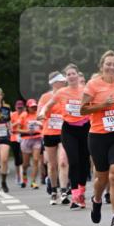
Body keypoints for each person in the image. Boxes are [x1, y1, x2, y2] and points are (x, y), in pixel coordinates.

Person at [81, 50, 114, 226]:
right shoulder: (93, 85)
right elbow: (82, 110)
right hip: (98, 135)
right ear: (101, 66)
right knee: (101, 177)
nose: (111, 67)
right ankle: (96, 200)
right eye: (108, 64)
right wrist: (103, 105)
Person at [55, 64, 90, 209]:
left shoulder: (86, 91)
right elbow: (50, 103)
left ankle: (81, 191)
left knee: (84, 162)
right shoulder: (61, 92)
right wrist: (43, 111)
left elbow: (96, 105)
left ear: (77, 75)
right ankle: (75, 194)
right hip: (68, 129)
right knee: (74, 160)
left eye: (73, 73)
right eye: (68, 74)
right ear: (66, 77)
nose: (71, 76)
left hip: (85, 128)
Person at [38, 72, 70, 205]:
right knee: (52, 165)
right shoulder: (45, 97)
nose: (64, 82)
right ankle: (53, 191)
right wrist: (42, 114)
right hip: (49, 132)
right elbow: (39, 114)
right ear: (55, 83)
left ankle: (63, 191)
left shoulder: (66, 95)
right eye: (62, 81)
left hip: (64, 133)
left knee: (63, 161)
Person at [17, 99, 44, 188]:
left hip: (37, 139)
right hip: (26, 139)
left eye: (35, 106)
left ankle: (33, 181)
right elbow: (17, 129)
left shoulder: (38, 115)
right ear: (28, 107)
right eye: (32, 107)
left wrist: (40, 126)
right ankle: (24, 173)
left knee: (36, 160)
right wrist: (27, 131)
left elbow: (44, 126)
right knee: (26, 163)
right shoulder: (23, 115)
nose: (34, 108)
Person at [9, 99, 25, 186]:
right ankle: (18, 175)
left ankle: (22, 177)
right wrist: (16, 123)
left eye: (21, 108)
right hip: (14, 137)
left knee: (22, 158)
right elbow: (9, 127)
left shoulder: (25, 114)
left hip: (24, 137)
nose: (20, 109)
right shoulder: (12, 115)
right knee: (17, 158)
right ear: (15, 107)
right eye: (18, 108)